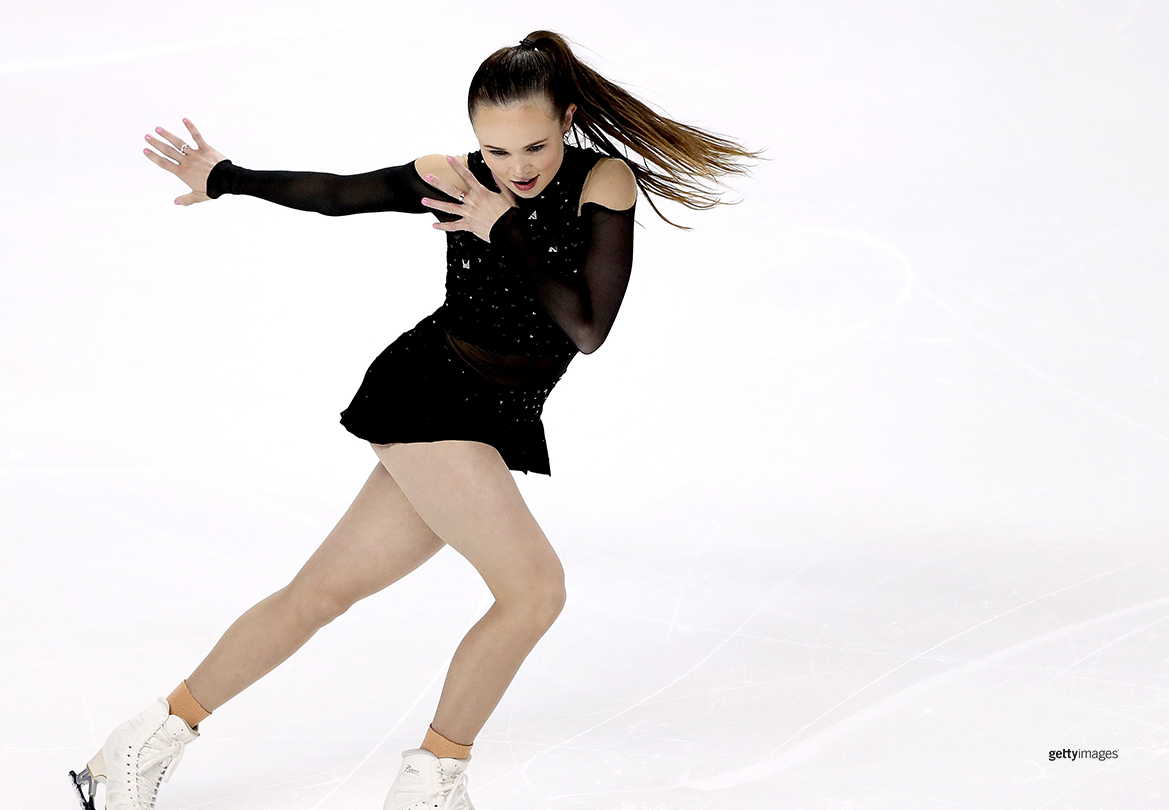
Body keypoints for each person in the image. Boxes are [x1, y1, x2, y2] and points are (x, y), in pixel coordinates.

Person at [70, 30, 761, 810]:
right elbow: (336, 194)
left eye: (533, 145)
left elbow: (588, 326)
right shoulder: (453, 178)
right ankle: (431, 782)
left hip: (494, 413)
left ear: (567, 118)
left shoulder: (605, 181)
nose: (517, 168)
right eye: (496, 151)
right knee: (534, 590)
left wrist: (504, 225)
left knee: (317, 597)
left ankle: (134, 747)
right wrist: (224, 176)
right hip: (431, 394)